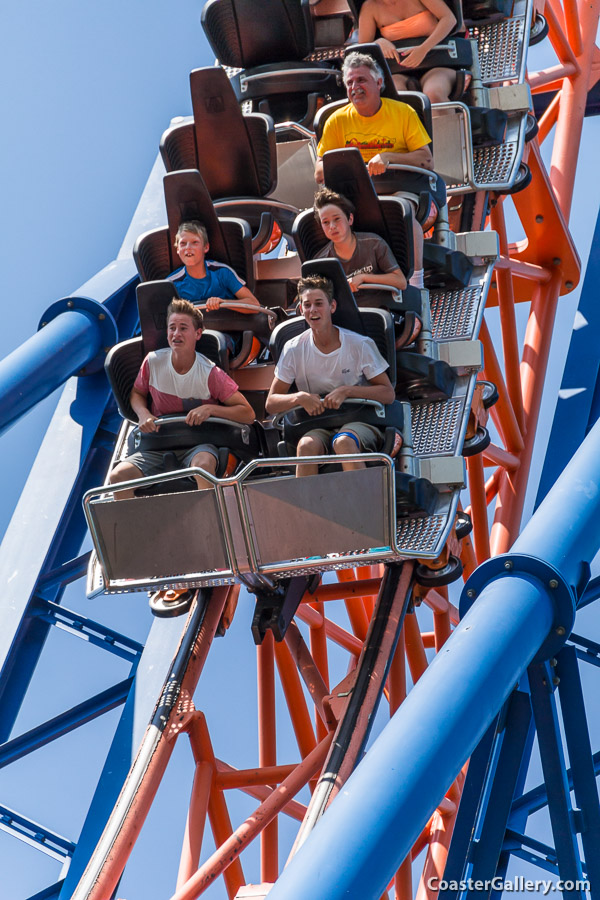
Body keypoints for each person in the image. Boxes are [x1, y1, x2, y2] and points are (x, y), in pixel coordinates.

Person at [109, 299, 255, 496]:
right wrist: (143, 414)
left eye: (183, 328)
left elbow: (247, 414)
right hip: (159, 442)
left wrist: (210, 409)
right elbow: (137, 394)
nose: (176, 334)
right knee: (117, 478)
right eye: (172, 328)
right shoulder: (153, 362)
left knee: (202, 467)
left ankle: (213, 522)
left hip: (199, 442)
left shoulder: (210, 373)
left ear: (197, 334)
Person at [314, 52, 433, 288]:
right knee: (321, 219)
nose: (355, 87)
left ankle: (417, 284)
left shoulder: (403, 113)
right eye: (350, 83)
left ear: (379, 83)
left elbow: (426, 160)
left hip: (398, 186)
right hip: (354, 192)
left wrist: (388, 157)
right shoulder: (336, 121)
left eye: (361, 80)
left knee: (402, 212)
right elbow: (319, 171)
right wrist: (352, 167)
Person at [266, 274, 395, 476]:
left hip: (358, 418)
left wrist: (347, 391)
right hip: (318, 422)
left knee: (343, 442)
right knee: (306, 446)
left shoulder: (359, 344)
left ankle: (362, 504)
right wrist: (300, 397)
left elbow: (388, 393)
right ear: (301, 310)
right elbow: (271, 402)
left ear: (332, 306)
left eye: (319, 304)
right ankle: (307, 507)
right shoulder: (293, 348)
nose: (313, 310)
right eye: (307, 305)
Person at [313, 186, 407, 301]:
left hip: (382, 307)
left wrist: (364, 277)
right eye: (326, 222)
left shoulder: (374, 244)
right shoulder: (321, 261)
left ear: (350, 219)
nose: (332, 226)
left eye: (337, 219)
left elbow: (401, 282)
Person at [358, 0, 458, 103]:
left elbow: (449, 19)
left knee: (434, 93)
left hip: (437, 63)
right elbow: (363, 48)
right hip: (398, 70)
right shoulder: (370, 6)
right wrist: (378, 42)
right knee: (398, 98)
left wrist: (423, 49)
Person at [169, 220, 260, 312]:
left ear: (206, 247)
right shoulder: (171, 284)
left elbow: (254, 305)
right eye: (183, 243)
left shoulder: (222, 273)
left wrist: (223, 303)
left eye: (195, 242)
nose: (188, 247)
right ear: (177, 249)